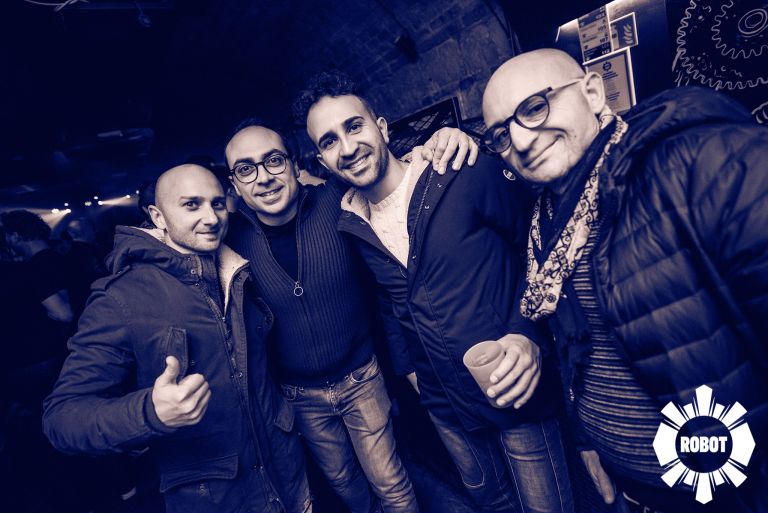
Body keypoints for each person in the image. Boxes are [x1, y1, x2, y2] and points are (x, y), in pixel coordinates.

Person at [481, 48, 768, 513]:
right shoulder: (545, 221)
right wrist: (589, 441)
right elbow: (577, 348)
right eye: (500, 133)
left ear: (593, 93)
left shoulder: (699, 161)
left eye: (535, 107)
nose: (521, 139)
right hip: (633, 488)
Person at [294, 70, 574, 513]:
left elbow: (537, 246)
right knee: (491, 502)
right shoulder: (349, 221)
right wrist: (411, 372)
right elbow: (390, 302)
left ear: (381, 128)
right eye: (329, 141)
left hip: (514, 388)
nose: (347, 148)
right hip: (446, 407)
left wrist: (528, 334)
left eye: (354, 126)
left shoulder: (459, 171)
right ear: (322, 161)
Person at [224, 117, 477, 513]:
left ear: (295, 163)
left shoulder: (335, 198)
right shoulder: (228, 240)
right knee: (343, 481)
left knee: (389, 479)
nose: (264, 177)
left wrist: (440, 139)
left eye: (273, 160)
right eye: (246, 169)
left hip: (362, 378)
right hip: (300, 396)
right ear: (235, 185)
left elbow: (383, 165)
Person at [43, 164, 311, 513]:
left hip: (288, 474)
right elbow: (61, 418)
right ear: (158, 216)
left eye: (217, 203)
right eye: (191, 205)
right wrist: (150, 412)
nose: (211, 218)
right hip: (217, 498)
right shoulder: (121, 298)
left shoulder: (238, 268)